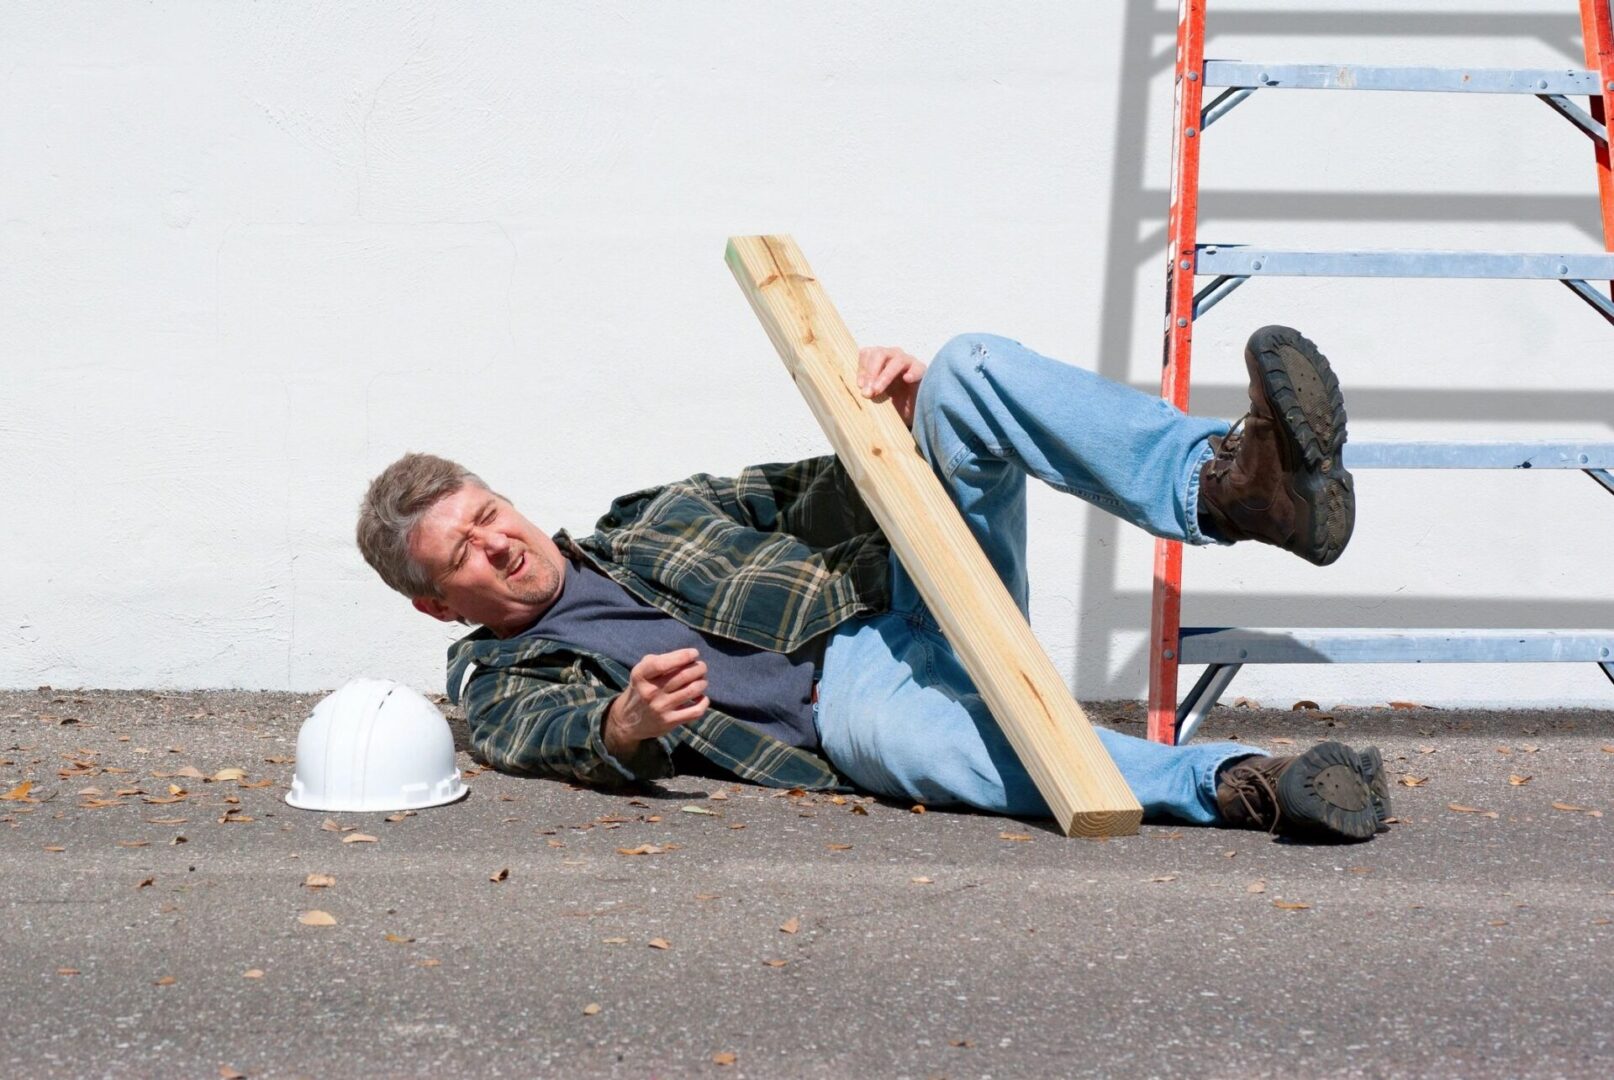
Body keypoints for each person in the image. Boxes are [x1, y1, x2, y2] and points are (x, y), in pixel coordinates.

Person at [357, 327, 1389, 842]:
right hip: (845, 700)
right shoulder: (496, 669)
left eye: (488, 515)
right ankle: (1240, 784)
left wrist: (895, 426)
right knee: (903, 743)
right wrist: (622, 730)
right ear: (436, 602)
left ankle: (1232, 488)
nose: (497, 546)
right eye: (463, 557)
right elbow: (535, 734)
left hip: (908, 592)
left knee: (965, 368)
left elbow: (822, 488)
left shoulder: (650, 516)